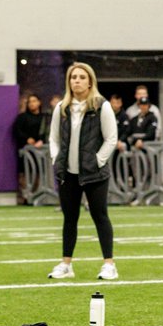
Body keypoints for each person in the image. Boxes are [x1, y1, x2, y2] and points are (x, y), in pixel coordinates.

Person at [47, 62, 118, 281]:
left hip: (94, 173)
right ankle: (66, 264)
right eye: (73, 77)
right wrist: (56, 159)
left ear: (90, 81)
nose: (76, 80)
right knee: (70, 218)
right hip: (68, 173)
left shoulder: (101, 106)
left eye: (81, 77)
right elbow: (54, 138)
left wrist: (98, 161)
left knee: (100, 216)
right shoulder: (62, 108)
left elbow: (111, 138)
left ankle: (109, 264)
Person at [12, 93, 48, 204]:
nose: (32, 104)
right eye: (30, 102)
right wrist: (27, 139)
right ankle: (25, 197)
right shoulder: (22, 117)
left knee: (38, 172)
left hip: (40, 152)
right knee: (24, 173)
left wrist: (41, 141)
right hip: (26, 153)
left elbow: (46, 133)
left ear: (39, 102)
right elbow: (17, 131)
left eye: (34, 101)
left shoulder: (44, 118)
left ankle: (37, 197)